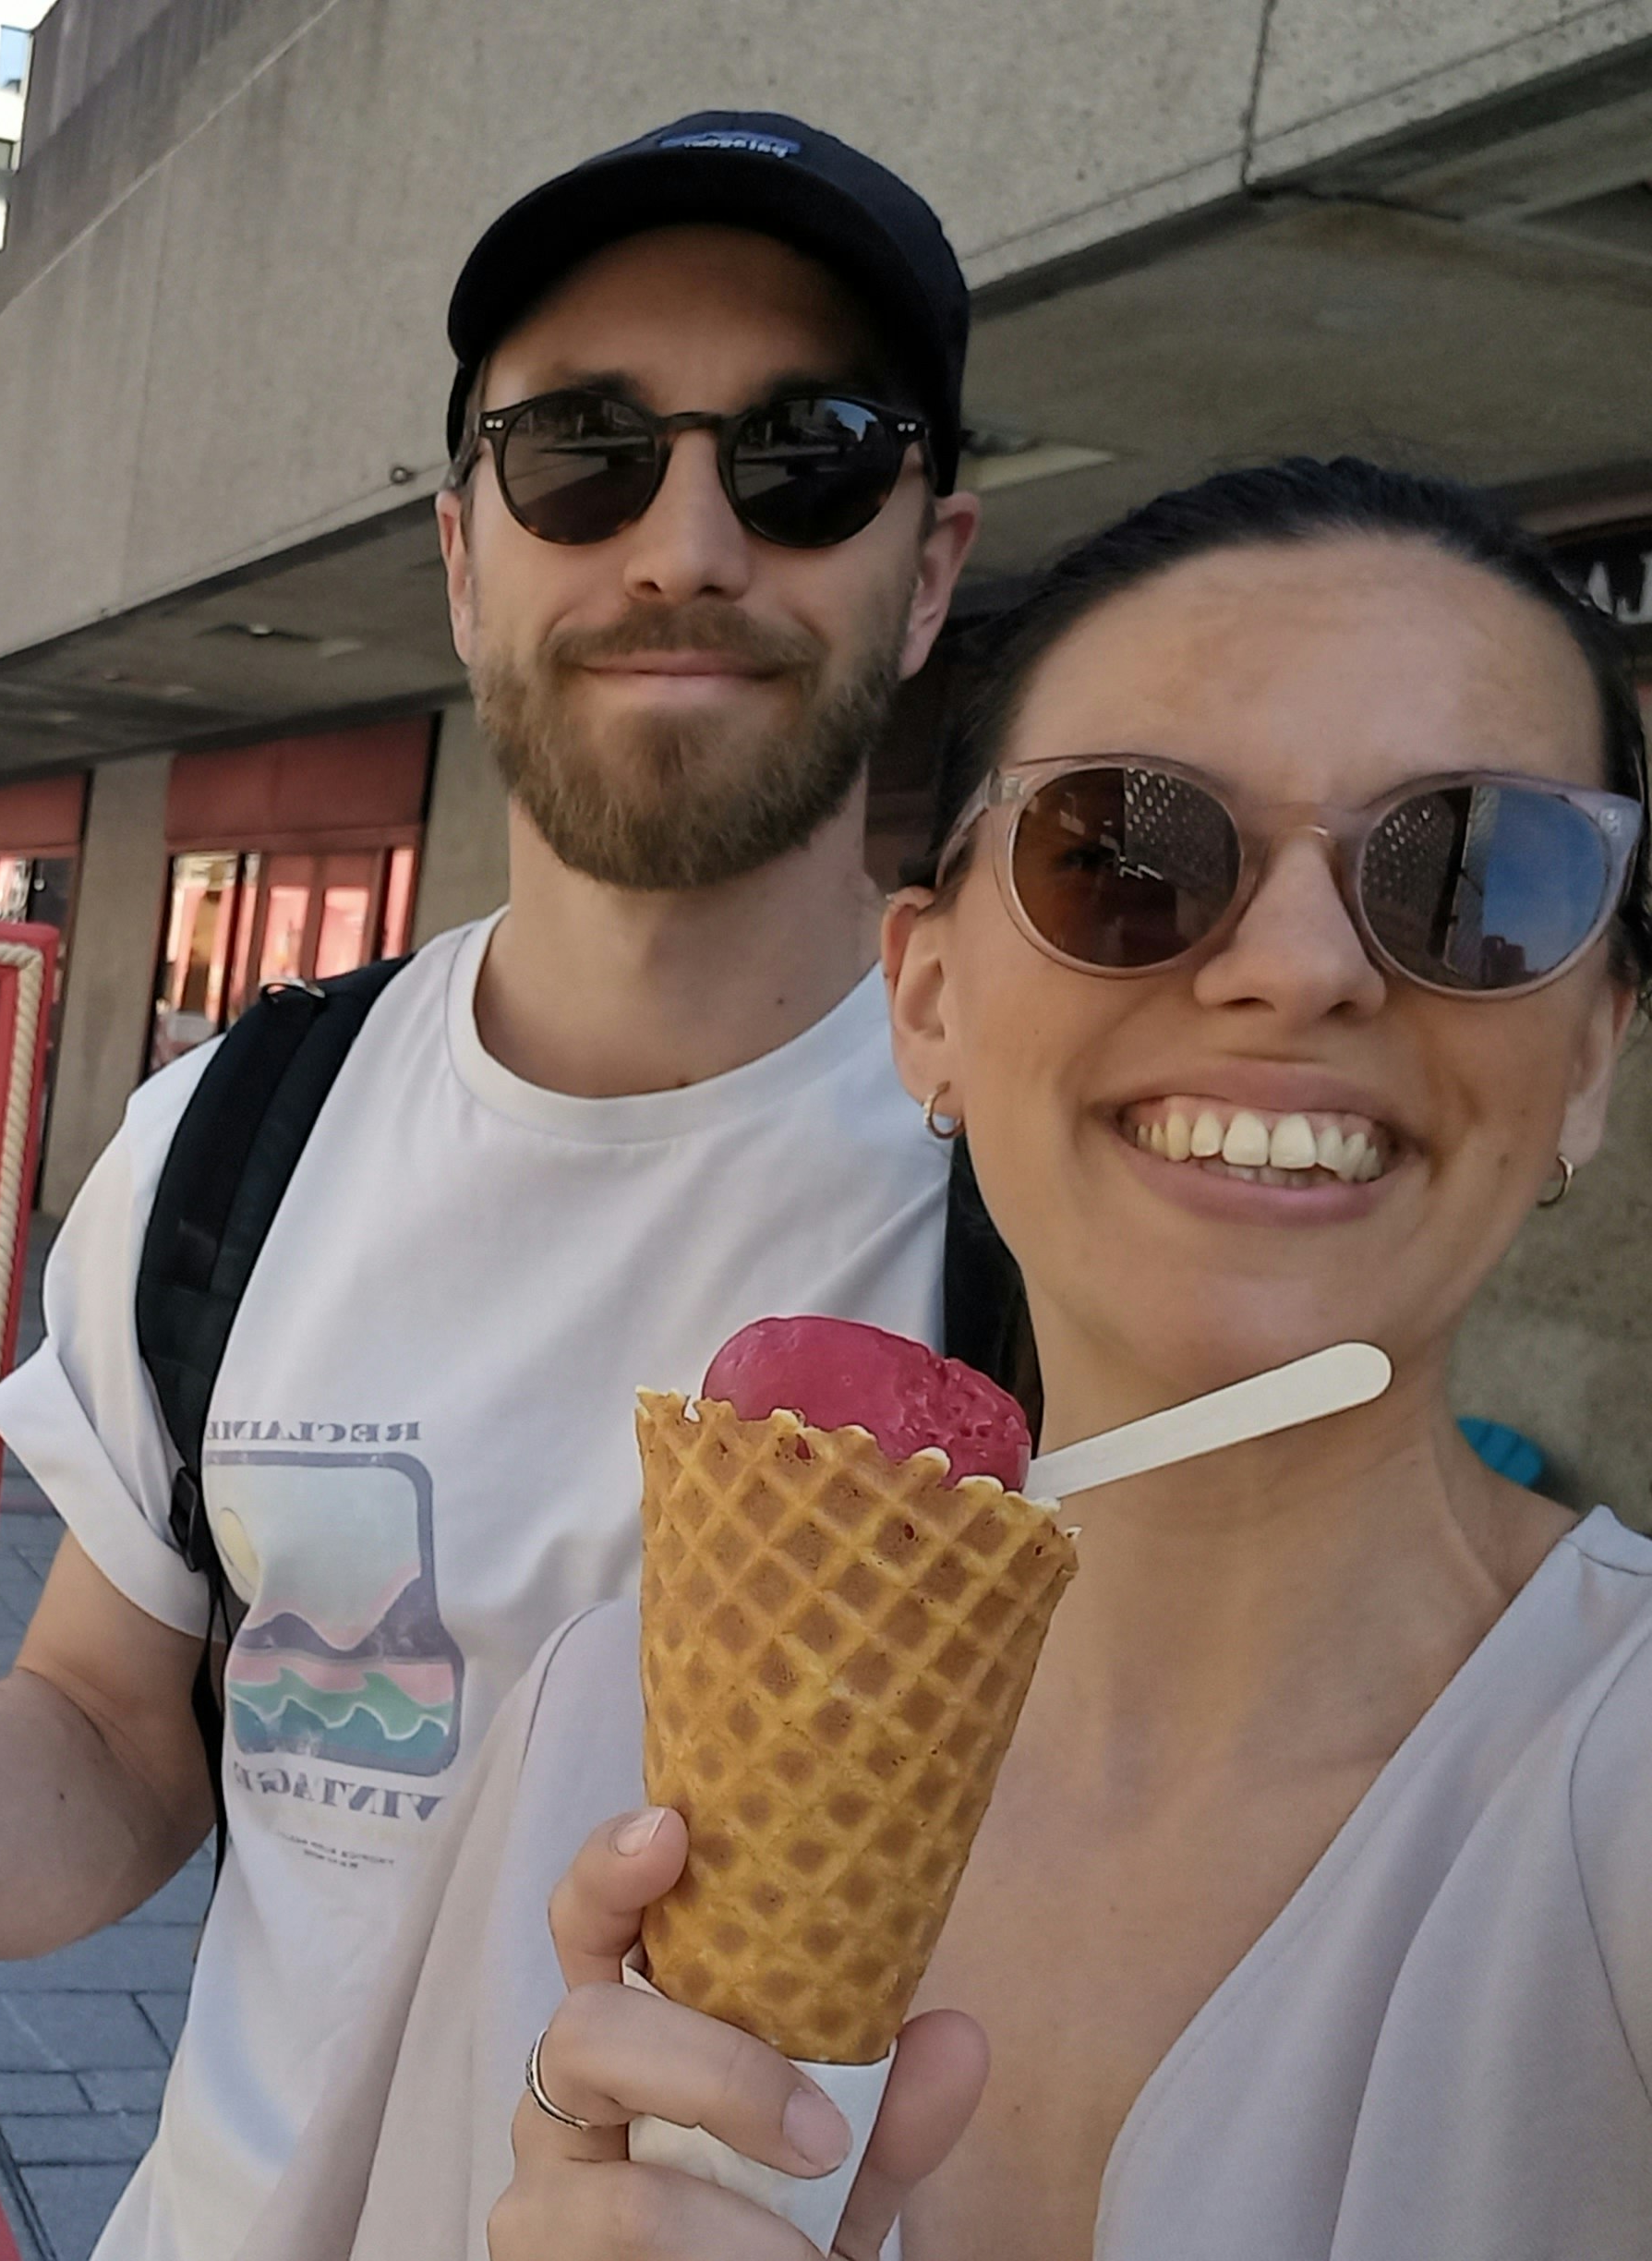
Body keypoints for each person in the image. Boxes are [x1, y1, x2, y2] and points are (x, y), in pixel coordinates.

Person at [0, 113, 986, 2257]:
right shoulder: (235, 1137)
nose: (686, 541)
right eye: (582, 452)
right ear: (464, 554)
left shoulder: (1051, 1212)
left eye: (803, 452)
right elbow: (112, 1725)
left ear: (930, 563)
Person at [234, 457, 1652, 2261]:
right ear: (929, 1001)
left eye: (1473, 873)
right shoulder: (605, 1720)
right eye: (1129, 850)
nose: (1299, 969)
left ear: (1594, 1051)